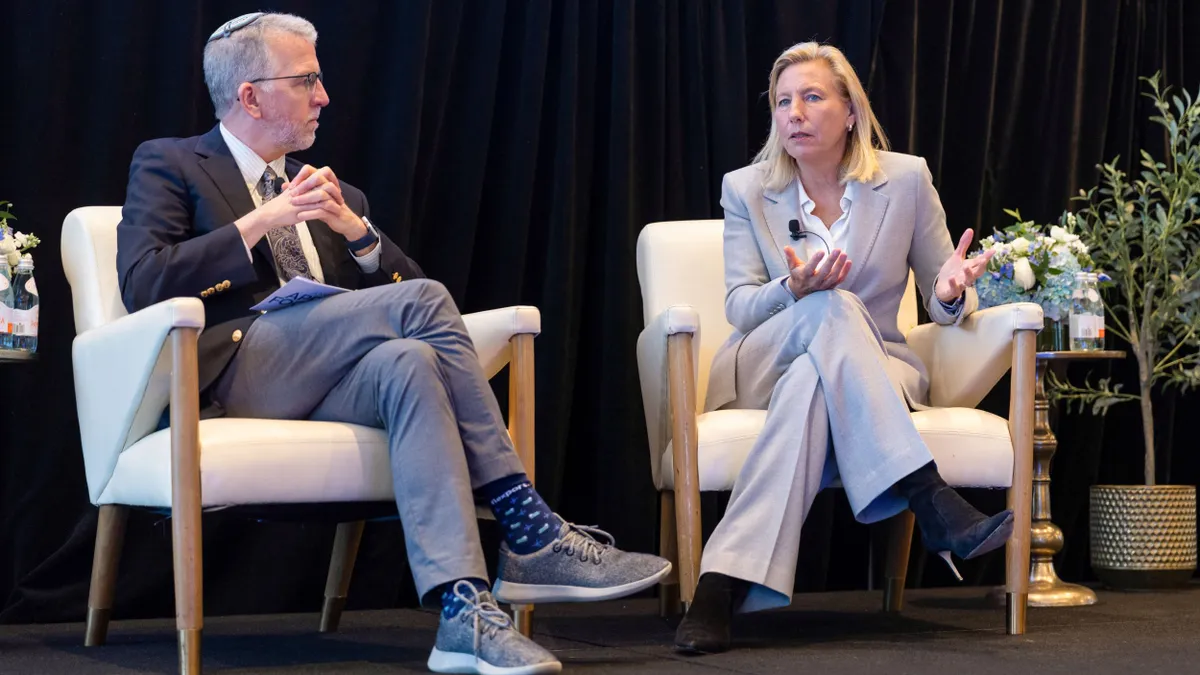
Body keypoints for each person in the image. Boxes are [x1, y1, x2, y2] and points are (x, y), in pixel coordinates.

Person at [116, 12, 670, 675]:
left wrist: (359, 234)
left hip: (329, 376)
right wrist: (263, 219)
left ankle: (461, 608)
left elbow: (409, 289)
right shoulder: (171, 162)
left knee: (410, 359)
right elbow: (143, 280)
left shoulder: (333, 192)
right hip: (233, 367)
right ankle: (527, 523)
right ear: (251, 95)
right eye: (308, 80)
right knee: (425, 307)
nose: (324, 97)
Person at [672, 42, 1010, 654]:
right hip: (764, 361)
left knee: (812, 384)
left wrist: (953, 291)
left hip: (876, 368)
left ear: (850, 110)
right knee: (827, 304)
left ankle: (718, 586)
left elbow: (942, 298)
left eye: (811, 97)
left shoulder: (905, 180)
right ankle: (926, 492)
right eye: (782, 102)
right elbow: (739, 305)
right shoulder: (746, 189)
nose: (793, 112)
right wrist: (790, 288)